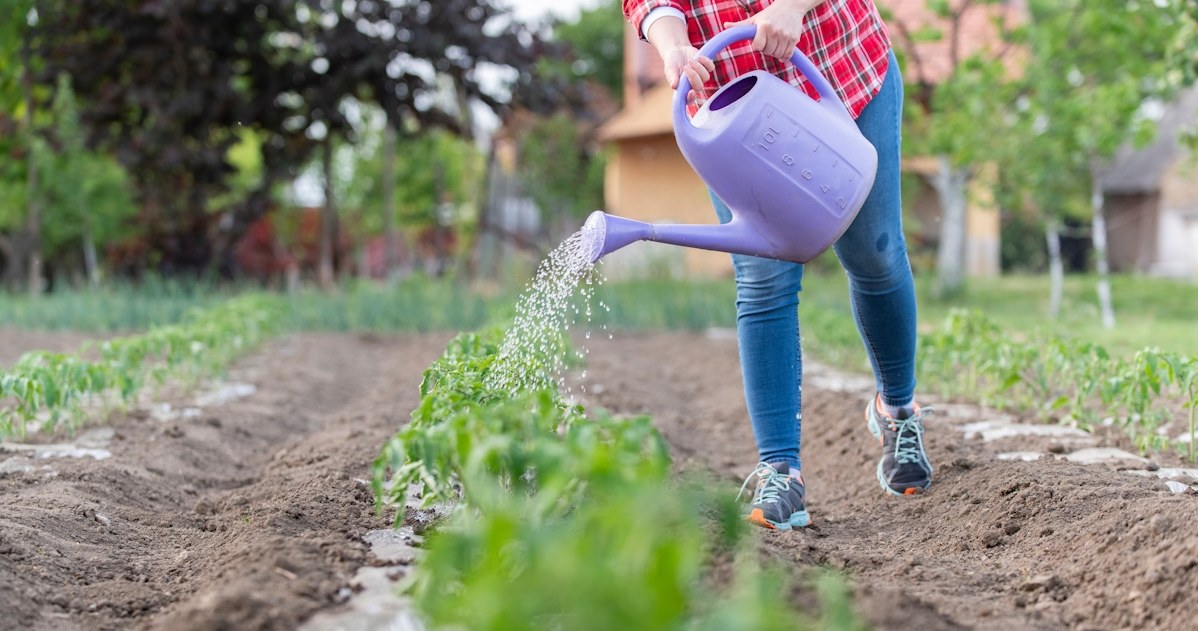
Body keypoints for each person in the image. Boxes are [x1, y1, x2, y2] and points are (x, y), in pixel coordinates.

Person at [621, 0, 932, 530]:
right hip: (736, 111)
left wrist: (791, 7)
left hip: (841, 68)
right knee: (763, 278)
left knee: (874, 253)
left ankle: (897, 411)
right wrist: (674, 47)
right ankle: (780, 471)